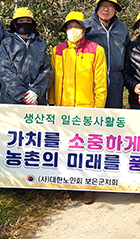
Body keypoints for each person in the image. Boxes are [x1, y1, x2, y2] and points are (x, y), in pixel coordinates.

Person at [48, 11, 107, 205]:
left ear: (84, 29)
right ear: (65, 30)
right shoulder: (57, 50)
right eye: (70, 27)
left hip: (86, 109)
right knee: (65, 146)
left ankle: (88, 187)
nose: (73, 30)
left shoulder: (96, 50)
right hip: (63, 108)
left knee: (87, 149)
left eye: (77, 27)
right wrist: (51, 104)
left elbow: (100, 84)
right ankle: (67, 182)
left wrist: (97, 109)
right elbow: (52, 79)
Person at [0, 7, 52, 105]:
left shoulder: (40, 44)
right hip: (11, 100)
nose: (24, 23)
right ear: (14, 24)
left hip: (36, 99)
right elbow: (5, 71)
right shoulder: (7, 44)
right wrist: (23, 95)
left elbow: (47, 70)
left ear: (33, 24)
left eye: (28, 21)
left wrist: (35, 91)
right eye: (21, 20)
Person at [85, 0, 131, 108]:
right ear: (96, 8)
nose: (106, 9)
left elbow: (127, 53)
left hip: (116, 79)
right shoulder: (87, 27)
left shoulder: (121, 28)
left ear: (115, 9)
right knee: (92, 115)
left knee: (113, 116)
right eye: (103, 5)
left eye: (110, 6)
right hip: (92, 79)